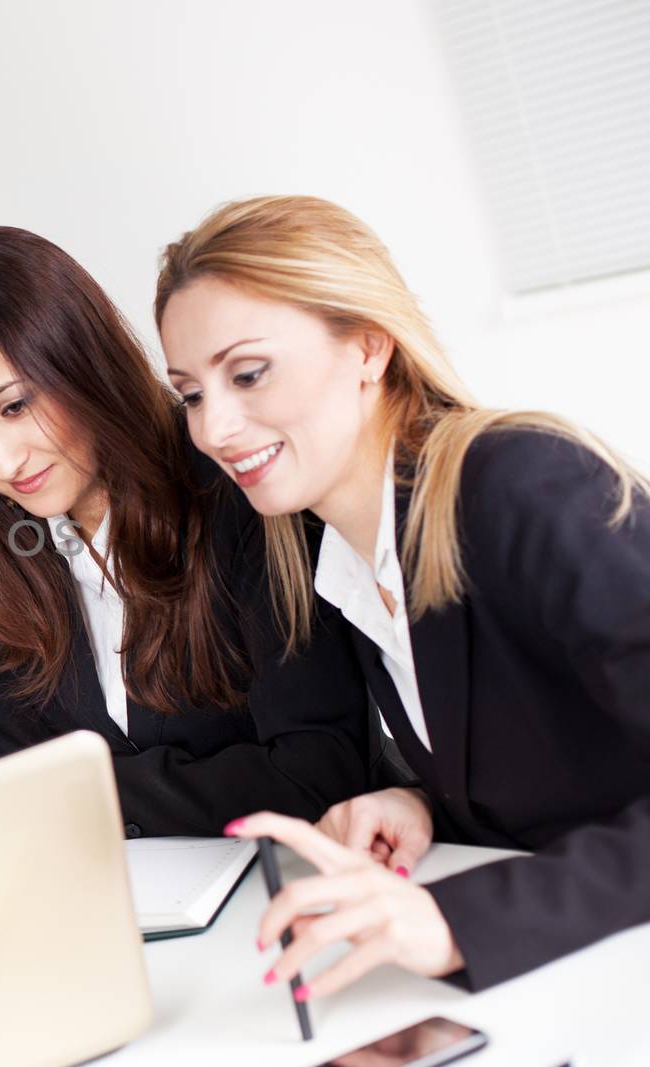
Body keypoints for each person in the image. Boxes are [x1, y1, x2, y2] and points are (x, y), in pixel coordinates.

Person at [157, 194, 650, 994]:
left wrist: (460, 919)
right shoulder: (340, 552)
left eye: (248, 373)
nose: (213, 429)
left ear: (368, 347)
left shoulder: (518, 483)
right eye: (191, 393)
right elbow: (555, 755)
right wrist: (420, 800)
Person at [0, 226, 369, 838]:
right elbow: (10, 782)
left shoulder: (239, 489)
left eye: (13, 406)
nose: (2, 461)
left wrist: (88, 792)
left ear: (80, 363)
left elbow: (316, 775)